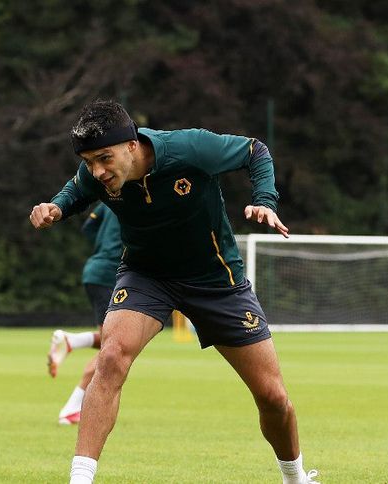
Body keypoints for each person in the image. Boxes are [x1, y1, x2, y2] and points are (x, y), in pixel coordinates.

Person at [29, 100, 318, 484]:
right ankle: (80, 480)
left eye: (104, 159)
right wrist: (56, 207)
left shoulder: (189, 148)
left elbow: (255, 150)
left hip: (216, 281)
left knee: (272, 397)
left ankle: (296, 478)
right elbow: (77, 189)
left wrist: (264, 200)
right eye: (89, 162)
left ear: (132, 145)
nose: (97, 171)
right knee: (111, 357)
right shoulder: (96, 173)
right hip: (146, 276)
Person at [47, 202, 122, 426]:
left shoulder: (110, 198)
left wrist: (104, 246)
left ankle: (71, 340)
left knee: (122, 339)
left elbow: (89, 227)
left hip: (97, 269)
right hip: (111, 273)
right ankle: (72, 408)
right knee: (114, 345)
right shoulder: (142, 196)